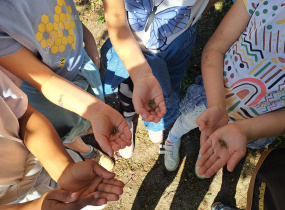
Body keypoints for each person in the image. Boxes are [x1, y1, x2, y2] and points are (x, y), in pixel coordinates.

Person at [162, 0, 285, 176]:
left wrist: (245, 130)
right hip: (212, 95)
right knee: (185, 121)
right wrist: (217, 105)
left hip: (257, 123)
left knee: (212, 140)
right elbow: (215, 48)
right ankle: (172, 139)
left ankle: (206, 152)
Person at [0, 0, 135, 170]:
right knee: (65, 128)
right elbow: (45, 80)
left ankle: (88, 126)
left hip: (78, 59)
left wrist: (87, 37)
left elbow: (61, 13)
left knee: (89, 106)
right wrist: (96, 110)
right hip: (40, 90)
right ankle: (86, 150)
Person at [100, 0, 217, 158]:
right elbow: (115, 17)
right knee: (126, 90)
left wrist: (199, 12)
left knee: (169, 87)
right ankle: (126, 118)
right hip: (130, 40)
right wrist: (142, 75)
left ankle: (155, 123)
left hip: (179, 37)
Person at [0, 67, 125, 209]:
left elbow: (22, 114)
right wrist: (34, 207)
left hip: (42, 156)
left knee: (89, 196)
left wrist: (63, 169)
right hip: (16, 201)